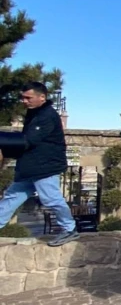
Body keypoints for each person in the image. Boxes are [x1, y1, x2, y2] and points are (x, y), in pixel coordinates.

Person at [0, 83, 79, 247]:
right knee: (11, 197)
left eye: (28, 97)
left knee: (51, 199)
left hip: (45, 168)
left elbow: (28, 141)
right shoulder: (35, 113)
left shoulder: (46, 116)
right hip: (30, 167)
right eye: (23, 97)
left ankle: (69, 229)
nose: (24, 101)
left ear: (41, 97)